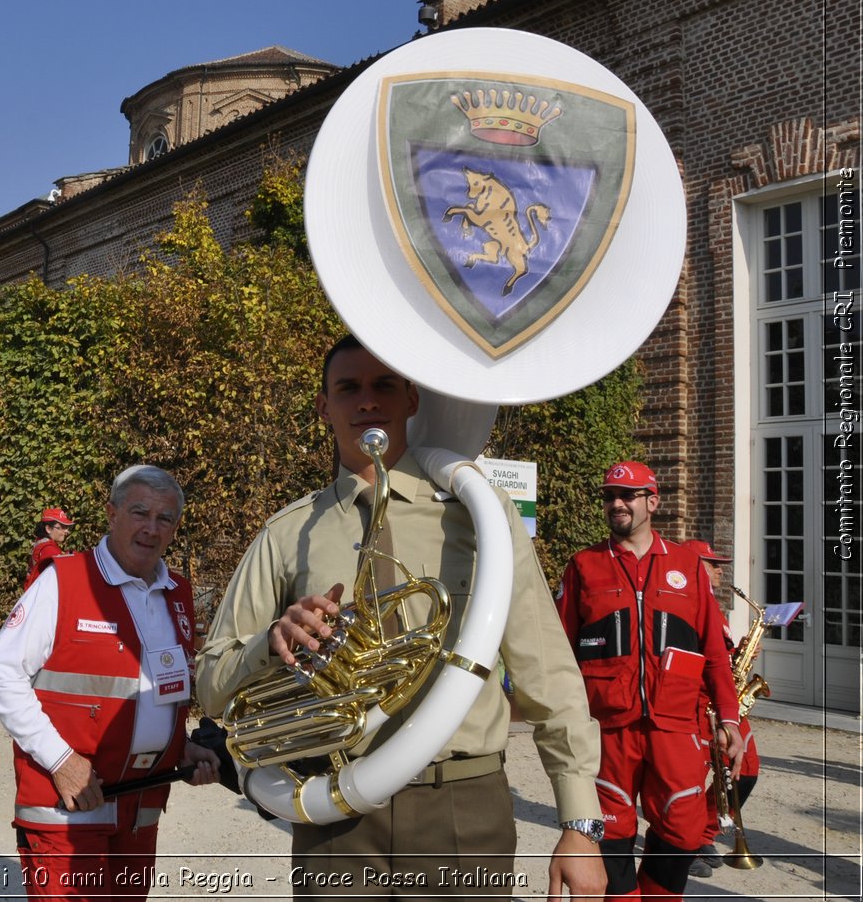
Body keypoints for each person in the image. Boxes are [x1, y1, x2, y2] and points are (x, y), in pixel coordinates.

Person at [195, 335, 606, 900]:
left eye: (384, 384)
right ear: (324, 406)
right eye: (348, 388)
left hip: (462, 807)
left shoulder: (480, 515)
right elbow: (212, 688)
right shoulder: (286, 533)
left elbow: (547, 670)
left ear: (411, 399)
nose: (367, 400)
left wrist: (579, 824)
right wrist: (272, 642)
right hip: (335, 814)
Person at [0, 464, 221, 900]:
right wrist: (61, 761)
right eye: (139, 512)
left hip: (139, 810)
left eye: (164, 518)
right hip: (67, 805)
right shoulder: (65, 580)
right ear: (111, 514)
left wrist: (179, 747)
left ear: (176, 526)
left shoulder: (178, 593)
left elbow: (154, 693)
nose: (151, 528)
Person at [556, 465, 744, 902]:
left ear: (652, 501)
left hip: (676, 726)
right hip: (608, 726)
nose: (617, 503)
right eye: (609, 495)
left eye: (629, 494)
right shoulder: (583, 566)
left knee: (683, 826)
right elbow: (561, 654)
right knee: (611, 826)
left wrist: (730, 720)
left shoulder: (688, 567)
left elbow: (714, 654)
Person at [681, 540, 759, 879]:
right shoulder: (687, 604)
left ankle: (705, 833)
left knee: (748, 770)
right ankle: (683, 847)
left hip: (725, 703)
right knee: (691, 781)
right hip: (698, 705)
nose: (720, 569)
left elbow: (717, 654)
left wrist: (740, 652)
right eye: (713, 563)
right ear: (695, 564)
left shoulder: (713, 605)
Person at [23, 507, 75, 589]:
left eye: (66, 527)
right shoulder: (48, 549)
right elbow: (61, 574)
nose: (66, 531)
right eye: (61, 527)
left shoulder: (41, 542)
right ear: (48, 529)